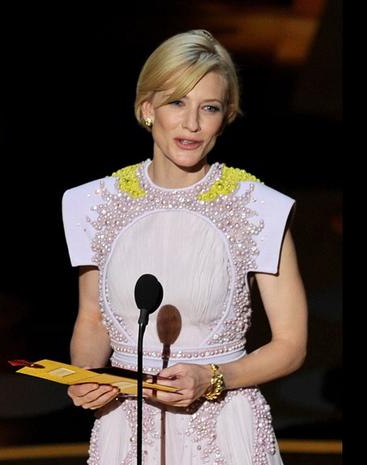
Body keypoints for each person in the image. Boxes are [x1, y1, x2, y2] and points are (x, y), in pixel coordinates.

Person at [61, 29, 307, 465]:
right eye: (177, 102)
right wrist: (88, 377)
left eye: (208, 108)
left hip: (224, 428)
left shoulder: (258, 207)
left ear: (225, 116)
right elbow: (93, 320)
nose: (192, 124)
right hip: (125, 425)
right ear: (147, 108)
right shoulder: (91, 203)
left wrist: (214, 378)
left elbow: (290, 344)